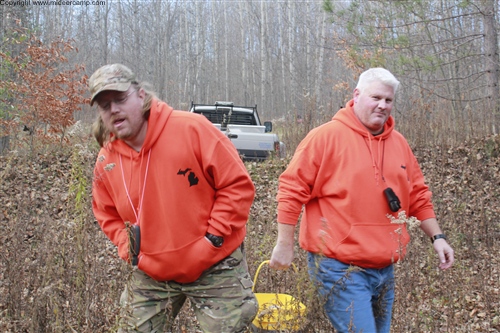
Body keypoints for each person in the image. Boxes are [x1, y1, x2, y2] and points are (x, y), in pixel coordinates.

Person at [269, 68, 454, 333]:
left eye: (388, 100)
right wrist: (284, 244)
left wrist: (438, 238)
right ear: (356, 95)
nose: (382, 105)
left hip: (385, 267)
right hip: (338, 266)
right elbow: (291, 190)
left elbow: (418, 197)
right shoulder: (325, 137)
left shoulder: (399, 144)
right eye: (375, 97)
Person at [89, 63, 258, 332]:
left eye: (120, 99)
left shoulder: (191, 129)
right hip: (152, 272)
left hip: (214, 263)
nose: (113, 110)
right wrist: (130, 250)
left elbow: (237, 186)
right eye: (104, 105)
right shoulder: (106, 160)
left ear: (141, 96)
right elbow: (105, 212)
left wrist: (212, 239)